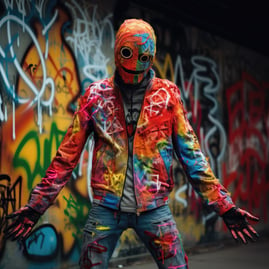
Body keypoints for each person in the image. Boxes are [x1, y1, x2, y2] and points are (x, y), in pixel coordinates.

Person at [4, 19, 259, 269]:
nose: (136, 65)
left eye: (143, 57)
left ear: (152, 56)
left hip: (154, 209)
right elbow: (65, 158)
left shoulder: (168, 96)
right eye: (128, 54)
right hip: (106, 208)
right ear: (117, 52)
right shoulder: (95, 97)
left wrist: (224, 206)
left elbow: (192, 156)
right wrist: (36, 207)